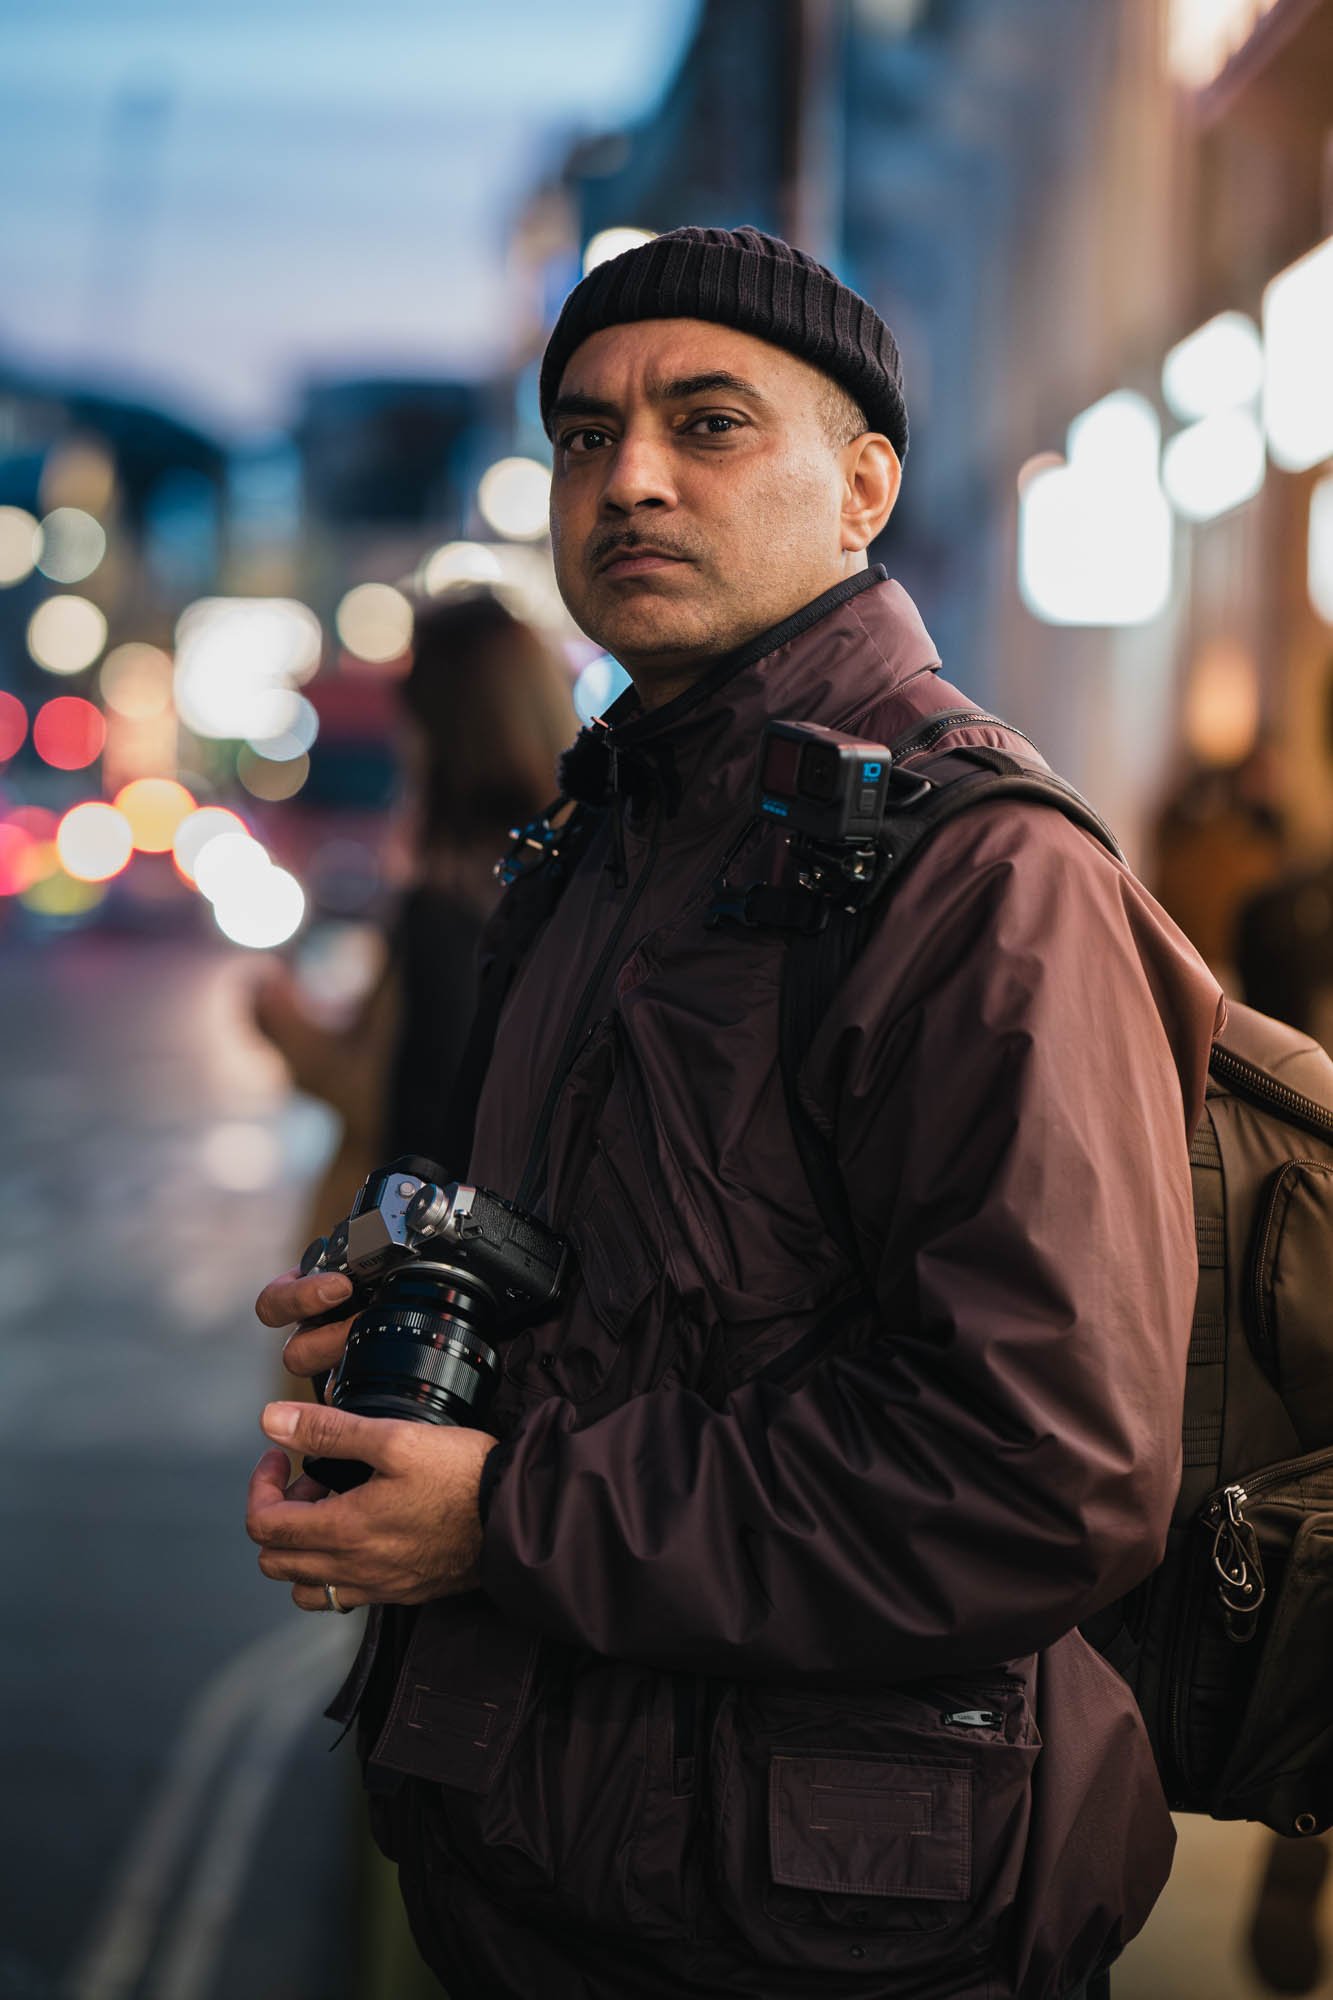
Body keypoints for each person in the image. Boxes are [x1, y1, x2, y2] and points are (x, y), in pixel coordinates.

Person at [247, 226, 1223, 2000]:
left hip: (826, 1928)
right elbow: (639, 1300)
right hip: (547, 1865)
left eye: (707, 424)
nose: (625, 479)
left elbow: (1041, 1472)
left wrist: (504, 1513)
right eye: (581, 436)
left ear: (859, 492)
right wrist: (408, 1341)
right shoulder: (606, 836)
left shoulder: (977, 871)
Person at [251, 590, 576, 1235]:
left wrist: (290, 1030)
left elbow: (417, 1137)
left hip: (410, 1285)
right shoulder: (576, 873)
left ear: (440, 734)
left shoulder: (449, 906)